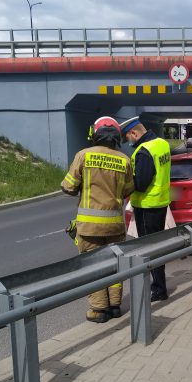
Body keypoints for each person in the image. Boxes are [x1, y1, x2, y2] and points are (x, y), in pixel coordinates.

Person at [61, 116, 134, 323]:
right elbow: (129, 188)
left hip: (90, 227)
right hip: (116, 227)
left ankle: (99, 310)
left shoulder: (83, 155)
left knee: (93, 267)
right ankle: (115, 306)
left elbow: (68, 186)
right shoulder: (124, 160)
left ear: (94, 134)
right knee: (115, 264)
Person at [119, 116, 171, 302]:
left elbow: (140, 184)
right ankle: (159, 284)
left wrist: (126, 181)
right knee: (158, 247)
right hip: (161, 203)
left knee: (150, 249)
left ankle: (159, 289)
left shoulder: (143, 152)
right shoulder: (162, 143)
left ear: (134, 133)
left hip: (147, 206)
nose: (128, 142)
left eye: (128, 138)